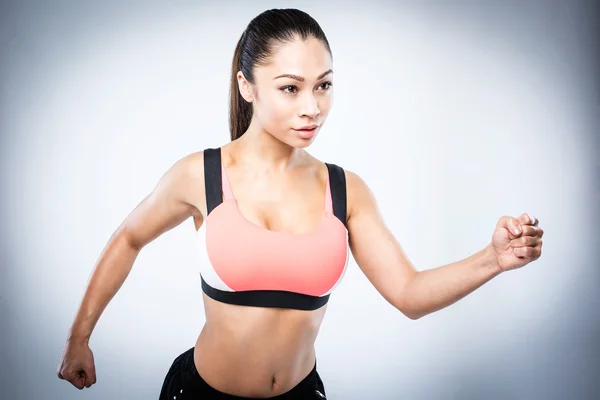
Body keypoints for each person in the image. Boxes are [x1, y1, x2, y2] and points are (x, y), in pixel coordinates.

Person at [56, 8, 544, 399]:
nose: (312, 107)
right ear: (247, 86)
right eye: (290, 88)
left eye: (323, 85)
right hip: (199, 394)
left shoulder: (344, 190)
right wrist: (80, 337)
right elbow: (128, 238)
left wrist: (493, 260)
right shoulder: (200, 175)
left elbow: (409, 294)